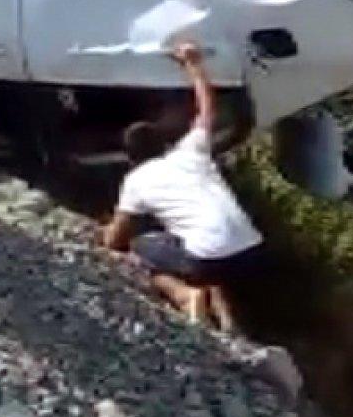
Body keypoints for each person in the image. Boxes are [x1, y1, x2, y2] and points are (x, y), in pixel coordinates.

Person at [103, 42, 263, 332]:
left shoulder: (136, 181)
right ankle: (229, 324)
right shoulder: (190, 151)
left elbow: (116, 237)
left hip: (209, 259)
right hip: (252, 252)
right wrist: (192, 62)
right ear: (165, 144)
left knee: (140, 248)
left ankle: (186, 295)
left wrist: (104, 241)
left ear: (130, 159)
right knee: (207, 250)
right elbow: (207, 109)